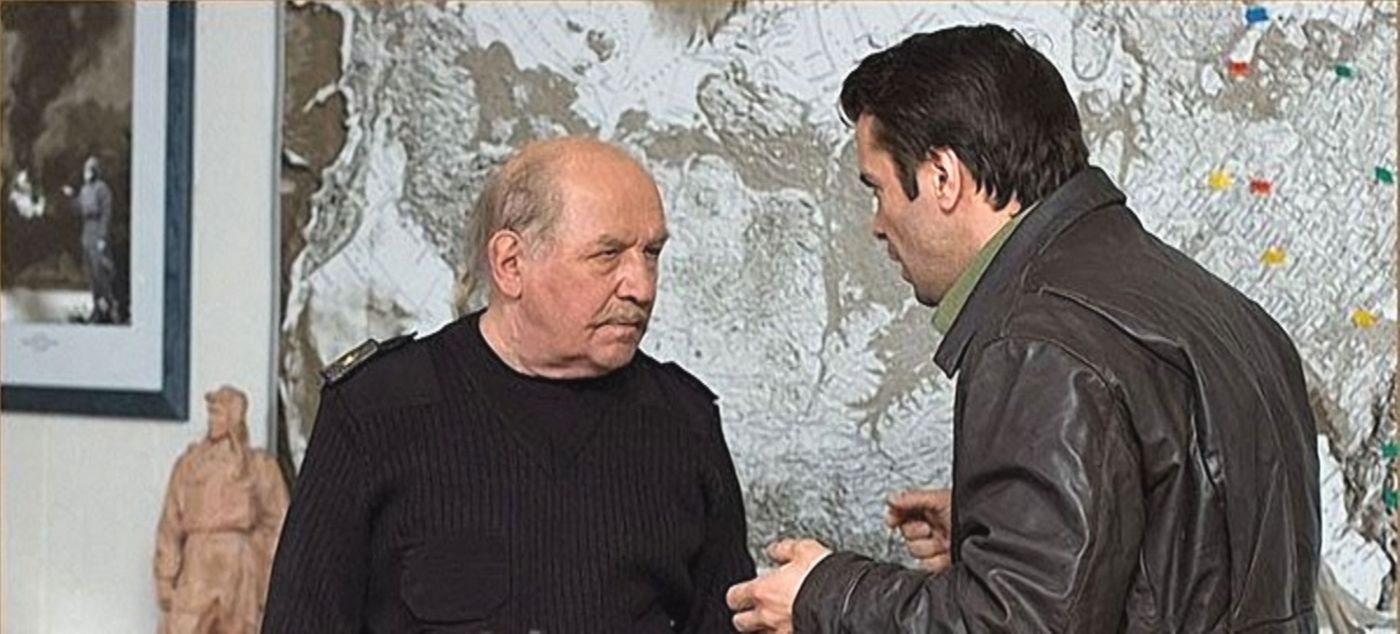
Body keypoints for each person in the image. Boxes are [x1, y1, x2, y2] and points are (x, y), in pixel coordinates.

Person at [726, 24, 1319, 632]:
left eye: (876, 190)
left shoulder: (1039, 341)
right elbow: (1195, 555)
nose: (877, 224)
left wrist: (827, 595)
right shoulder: (1229, 314)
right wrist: (1009, 527)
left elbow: (1015, 625)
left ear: (942, 177)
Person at [263, 137, 755, 632]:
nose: (641, 286)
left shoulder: (685, 422)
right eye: (608, 255)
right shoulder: (374, 411)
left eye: (651, 253)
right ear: (511, 263)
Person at [155, 386, 289, 634]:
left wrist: (271, 579)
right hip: (198, 561)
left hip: (238, 564)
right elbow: (170, 524)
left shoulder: (258, 466)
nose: (212, 420)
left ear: (233, 417)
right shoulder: (191, 464)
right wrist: (165, 576)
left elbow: (278, 522)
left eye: (218, 413)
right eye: (211, 413)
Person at [62, 155, 119, 323]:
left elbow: (106, 214)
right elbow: (78, 207)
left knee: (100, 270)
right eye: (85, 170)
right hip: (86, 231)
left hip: (97, 229)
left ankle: (110, 307)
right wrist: (70, 196)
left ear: (95, 171)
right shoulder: (85, 190)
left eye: (89, 170)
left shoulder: (102, 189)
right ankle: (97, 307)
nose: (86, 173)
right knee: (90, 272)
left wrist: (102, 237)